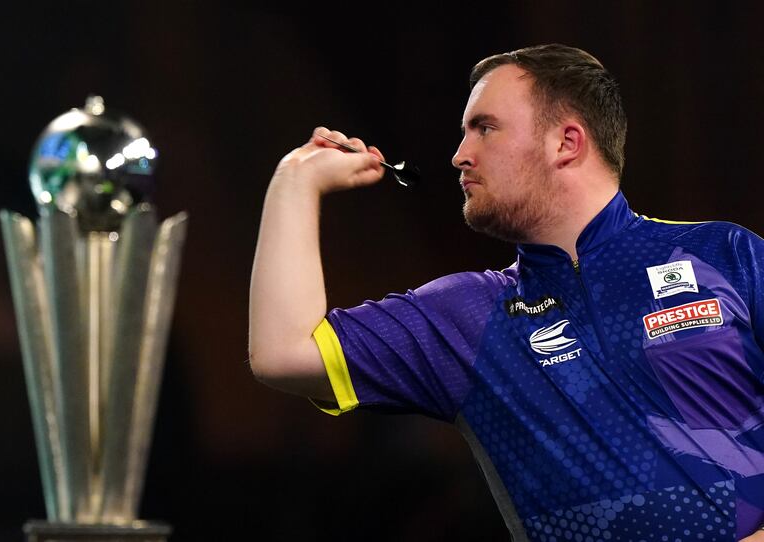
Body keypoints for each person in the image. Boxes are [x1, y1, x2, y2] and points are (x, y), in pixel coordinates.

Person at [249, 44, 764, 541]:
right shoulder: (467, 316)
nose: (458, 156)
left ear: (566, 143)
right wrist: (295, 183)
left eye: (484, 129)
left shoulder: (726, 255)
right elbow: (282, 352)